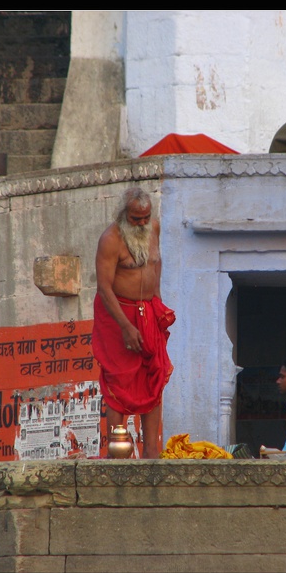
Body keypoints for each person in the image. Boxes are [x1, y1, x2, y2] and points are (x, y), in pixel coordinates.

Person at [92, 187, 175, 459]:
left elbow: (156, 266)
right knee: (119, 380)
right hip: (118, 317)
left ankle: (152, 453)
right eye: (136, 218)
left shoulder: (155, 229)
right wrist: (127, 328)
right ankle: (118, 453)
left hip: (149, 312)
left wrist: (158, 307)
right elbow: (104, 289)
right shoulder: (110, 239)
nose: (141, 223)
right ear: (124, 215)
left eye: (145, 217)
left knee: (153, 376)